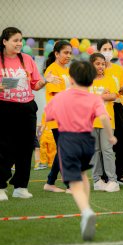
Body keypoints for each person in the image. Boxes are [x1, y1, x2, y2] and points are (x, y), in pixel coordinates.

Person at [45, 60, 117, 241]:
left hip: (68, 140)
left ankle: (86, 211)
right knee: (83, 174)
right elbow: (104, 117)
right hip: (87, 141)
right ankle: (87, 206)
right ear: (92, 80)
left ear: (70, 79)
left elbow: (48, 115)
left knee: (74, 182)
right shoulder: (94, 98)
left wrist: (41, 129)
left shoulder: (61, 97)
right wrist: (110, 136)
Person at [0, 27, 59, 201]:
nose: (19, 44)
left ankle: (21, 186)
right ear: (4, 41)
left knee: (26, 147)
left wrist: (45, 81)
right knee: (5, 148)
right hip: (4, 108)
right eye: (15, 40)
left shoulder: (26, 59)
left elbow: (34, 85)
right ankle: (1, 186)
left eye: (21, 40)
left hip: (27, 108)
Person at [98, 39, 123, 185]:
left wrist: (122, 92)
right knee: (104, 145)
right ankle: (104, 175)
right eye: (104, 49)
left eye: (109, 49)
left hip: (117, 108)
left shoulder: (118, 69)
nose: (107, 51)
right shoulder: (95, 69)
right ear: (98, 51)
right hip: (101, 109)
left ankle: (119, 174)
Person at [88, 53, 120, 192]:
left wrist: (98, 97)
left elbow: (114, 95)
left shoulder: (110, 80)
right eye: (97, 64)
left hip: (106, 122)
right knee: (95, 151)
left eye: (103, 64)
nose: (101, 66)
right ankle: (97, 180)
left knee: (107, 150)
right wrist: (102, 96)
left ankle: (113, 181)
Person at [44, 40, 72, 193]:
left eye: (70, 53)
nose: (68, 56)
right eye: (65, 52)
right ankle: (68, 184)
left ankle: (50, 182)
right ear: (56, 53)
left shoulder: (67, 71)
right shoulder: (51, 70)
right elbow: (57, 95)